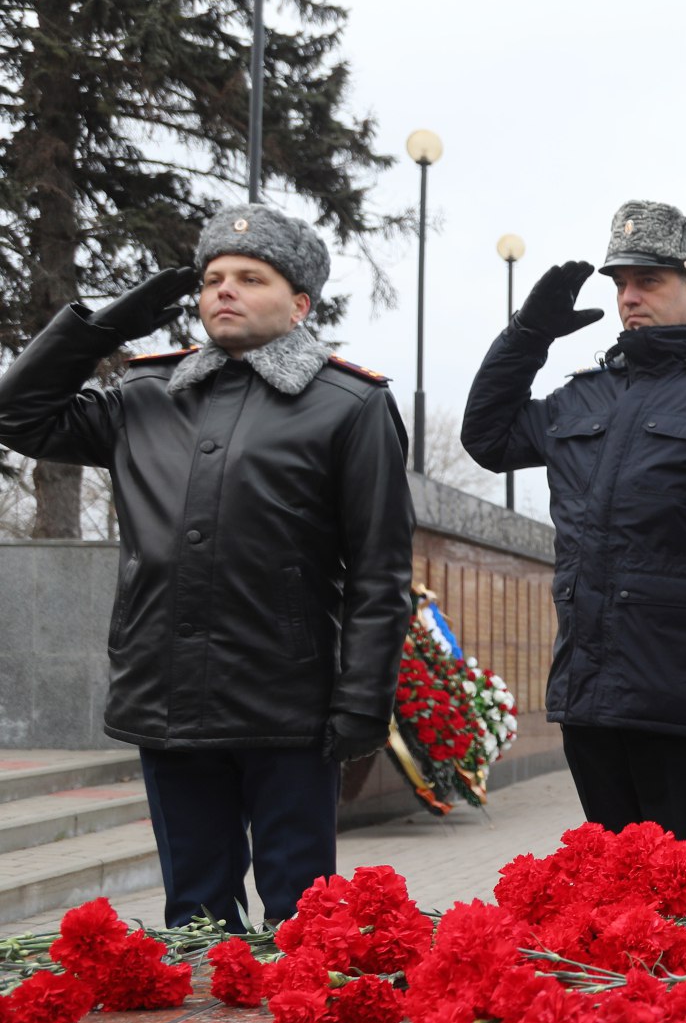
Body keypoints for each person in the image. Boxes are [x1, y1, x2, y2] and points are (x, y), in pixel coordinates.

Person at [0, 205, 411, 929]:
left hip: (289, 705)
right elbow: (17, 417)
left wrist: (363, 700)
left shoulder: (348, 405)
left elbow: (380, 573)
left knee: (301, 918)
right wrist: (97, 331)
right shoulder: (144, 396)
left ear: (299, 304)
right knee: (194, 920)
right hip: (167, 696)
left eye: (251, 278)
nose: (225, 289)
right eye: (214, 277)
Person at [461, 201, 686, 874]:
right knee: (617, 894)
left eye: (649, 281)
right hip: (591, 694)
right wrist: (528, 333)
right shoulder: (585, 397)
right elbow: (488, 436)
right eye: (621, 282)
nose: (629, 297)